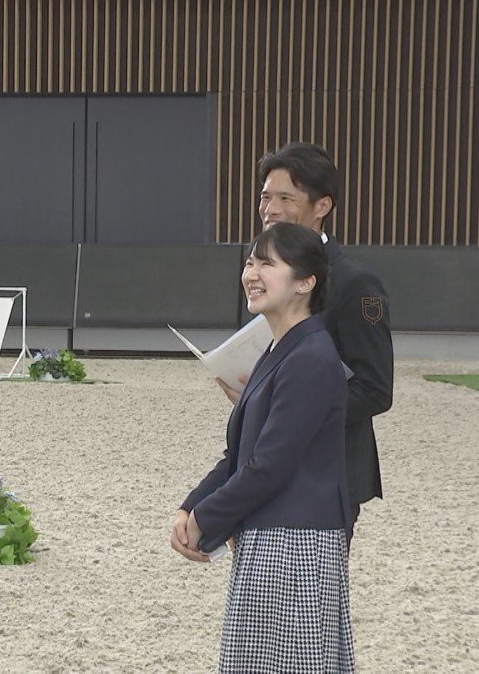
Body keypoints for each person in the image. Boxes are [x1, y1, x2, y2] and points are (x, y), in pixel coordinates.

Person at [172, 222, 354, 670]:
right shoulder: (280, 351)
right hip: (272, 537)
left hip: (295, 545)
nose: (251, 274)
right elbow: (239, 455)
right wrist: (189, 507)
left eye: (266, 264)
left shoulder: (311, 357)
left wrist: (205, 519)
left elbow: (268, 465)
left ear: (305, 282)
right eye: (250, 262)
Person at [218, 141, 394, 524]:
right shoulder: (261, 273)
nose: (271, 209)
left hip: (327, 475)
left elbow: (375, 389)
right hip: (263, 462)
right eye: (265, 197)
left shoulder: (355, 284)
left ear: (322, 206)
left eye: (286, 198)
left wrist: (288, 409)